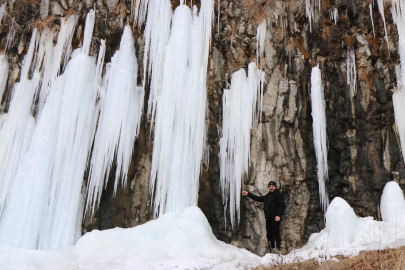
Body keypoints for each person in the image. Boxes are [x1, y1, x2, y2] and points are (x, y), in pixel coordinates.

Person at [242, 181, 286, 253]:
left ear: (275, 187)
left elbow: (282, 205)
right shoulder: (268, 196)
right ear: (268, 187)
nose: (271, 188)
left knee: (276, 232)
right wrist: (248, 194)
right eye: (270, 186)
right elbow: (258, 199)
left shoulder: (278, 195)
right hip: (268, 217)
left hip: (275, 217)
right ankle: (272, 249)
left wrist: (278, 215)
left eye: (272, 186)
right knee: (269, 234)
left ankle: (277, 249)